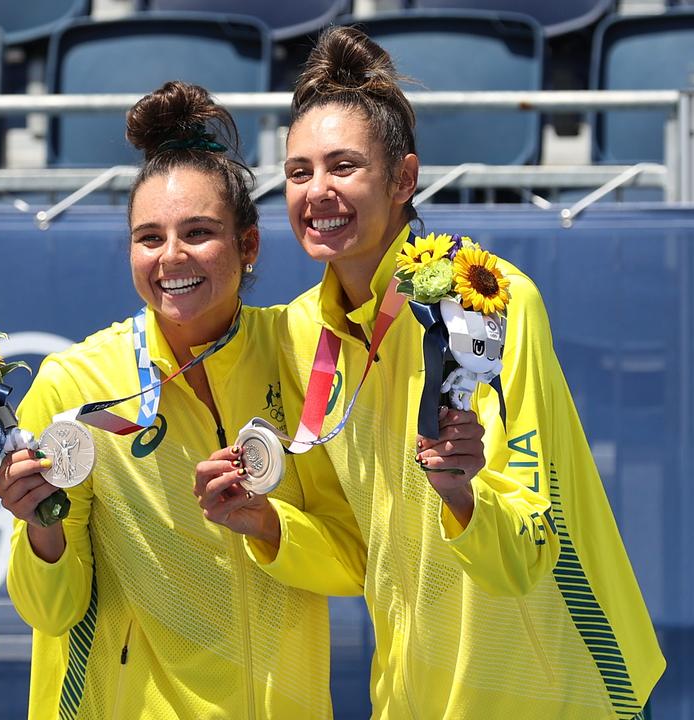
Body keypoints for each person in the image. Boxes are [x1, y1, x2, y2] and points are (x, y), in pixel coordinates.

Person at [237, 25, 663, 719]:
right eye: (298, 171)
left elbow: (527, 546)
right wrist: (267, 524)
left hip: (560, 692)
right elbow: (353, 552)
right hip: (415, 698)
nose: (317, 191)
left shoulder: (482, 298)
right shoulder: (298, 333)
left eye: (344, 166)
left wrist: (462, 495)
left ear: (404, 178)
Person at [0, 81, 367, 719]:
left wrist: (268, 523)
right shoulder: (74, 384)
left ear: (248, 245)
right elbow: (48, 612)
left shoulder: (300, 354)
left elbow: (351, 562)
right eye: (149, 237)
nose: (171, 257)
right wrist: (39, 526)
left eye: (198, 232)